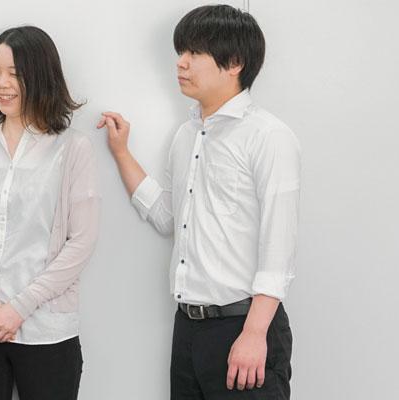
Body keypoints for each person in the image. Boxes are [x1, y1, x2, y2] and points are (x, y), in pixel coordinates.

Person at [99, 5, 299, 399]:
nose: (181, 63)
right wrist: (122, 153)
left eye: (194, 52)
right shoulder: (187, 135)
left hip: (243, 326)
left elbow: (279, 248)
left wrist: (255, 333)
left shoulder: (268, 136)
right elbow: (168, 217)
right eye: (181, 52)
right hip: (188, 328)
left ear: (235, 63)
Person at [0, 26, 100, 400]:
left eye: (15, 73)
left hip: (46, 331)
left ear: (41, 76)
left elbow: (81, 241)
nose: (2, 83)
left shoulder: (72, 149)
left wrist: (18, 308)